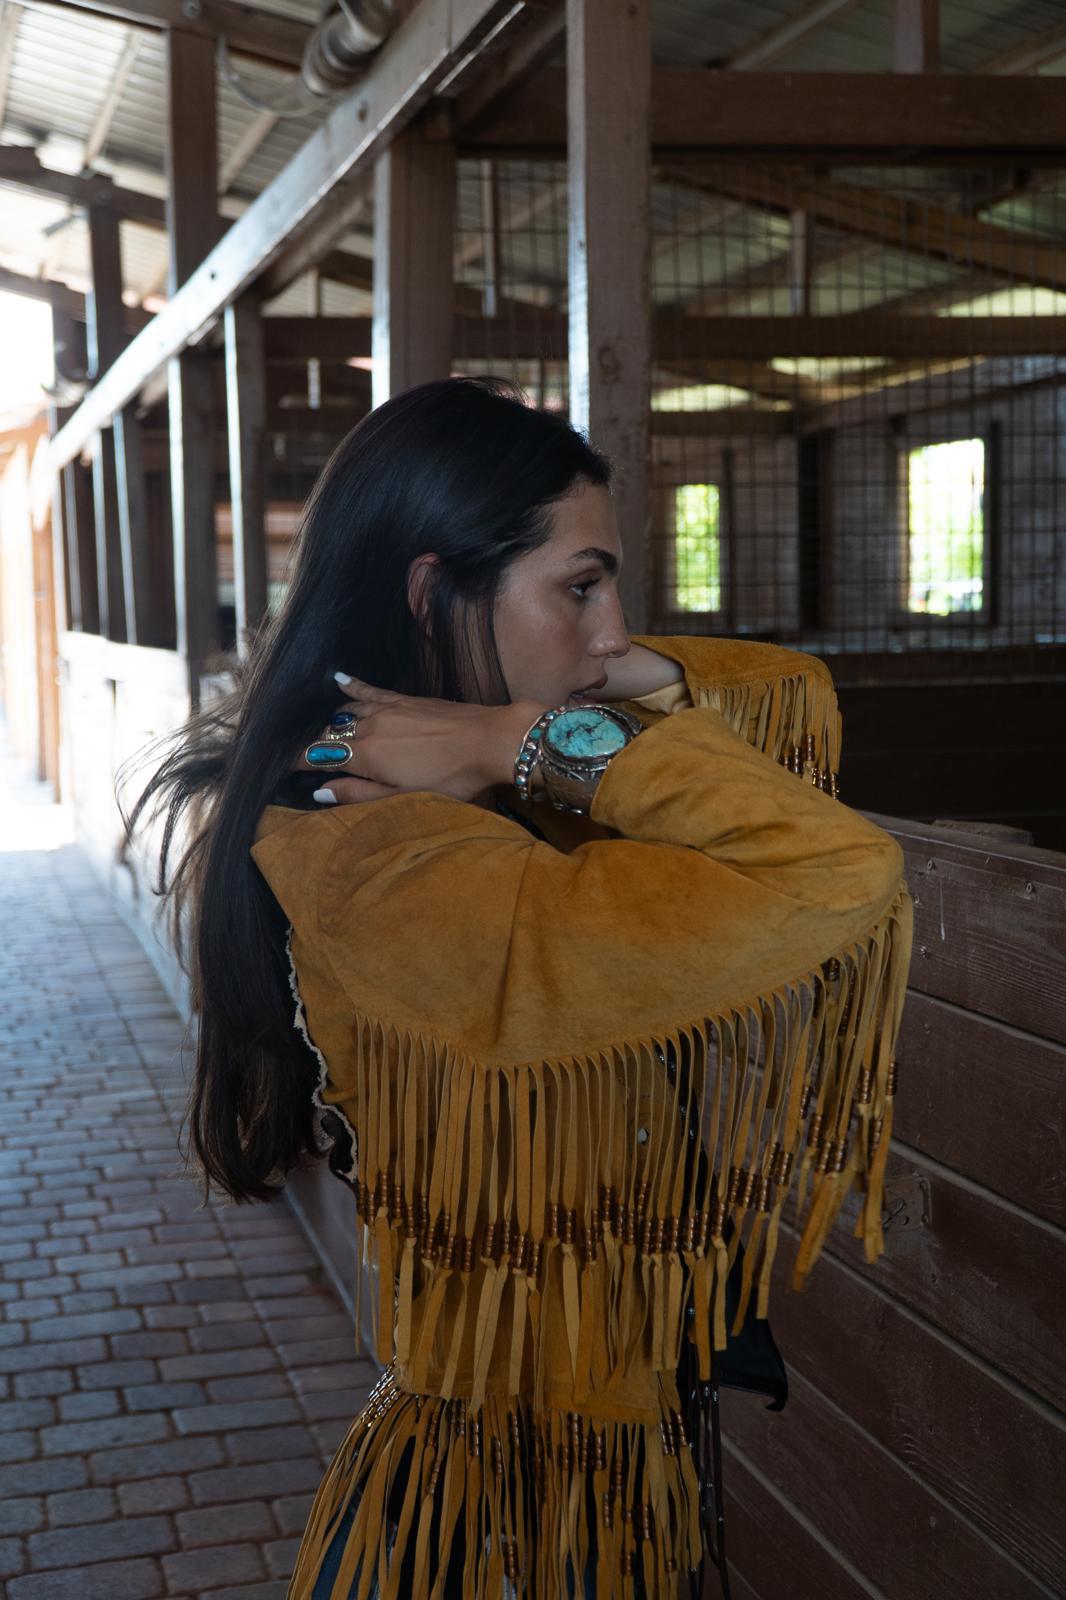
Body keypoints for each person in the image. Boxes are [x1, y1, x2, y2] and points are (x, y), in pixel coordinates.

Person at [124, 376, 913, 1600]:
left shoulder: (425, 782)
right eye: (581, 586)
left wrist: (533, 718)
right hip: (511, 1517)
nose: (612, 633)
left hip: (586, 1459)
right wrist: (517, 738)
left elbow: (781, 699)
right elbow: (835, 864)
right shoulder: (377, 855)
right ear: (432, 592)